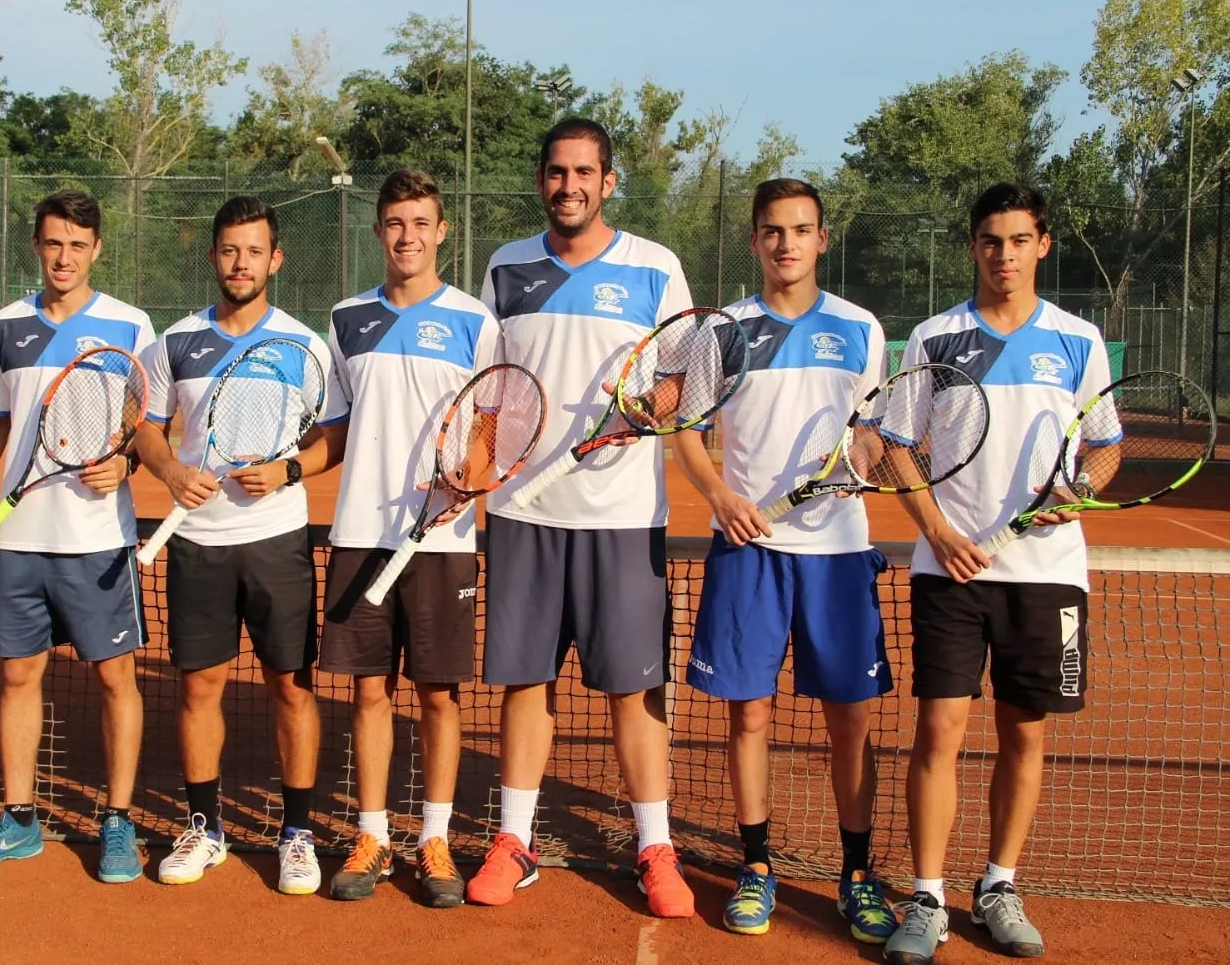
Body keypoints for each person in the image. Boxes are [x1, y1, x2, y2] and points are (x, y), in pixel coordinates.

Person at [467, 118, 696, 918]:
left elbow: (681, 382)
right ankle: (514, 841)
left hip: (623, 515)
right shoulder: (506, 267)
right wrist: (475, 468)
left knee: (634, 690)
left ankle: (655, 847)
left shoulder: (654, 268)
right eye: (556, 173)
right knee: (525, 681)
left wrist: (648, 404)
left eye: (584, 173)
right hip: (524, 513)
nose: (569, 186)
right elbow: (491, 389)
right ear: (541, 181)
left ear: (607, 181)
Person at [883, 183, 1109, 964]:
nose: (1003, 255)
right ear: (972, 246)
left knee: (1024, 733)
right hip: (947, 572)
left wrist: (1083, 489)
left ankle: (999, 884)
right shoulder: (933, 337)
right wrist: (938, 533)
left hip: (1046, 572)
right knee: (938, 731)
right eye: (989, 241)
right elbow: (895, 445)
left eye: (1018, 240)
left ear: (1042, 244)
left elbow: (1103, 445)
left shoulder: (1079, 339)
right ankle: (925, 898)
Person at [671, 178, 898, 942]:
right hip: (748, 547)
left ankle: (857, 874)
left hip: (837, 551)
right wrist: (720, 497)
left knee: (851, 723)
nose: (786, 243)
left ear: (822, 239)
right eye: (772, 231)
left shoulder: (860, 327)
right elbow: (688, 434)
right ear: (754, 242)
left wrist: (859, 454)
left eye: (800, 230)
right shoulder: (723, 330)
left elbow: (875, 431)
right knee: (749, 716)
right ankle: (757, 865)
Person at [293, 169, 499, 907]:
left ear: (441, 231)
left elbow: (491, 422)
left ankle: (434, 838)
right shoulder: (347, 318)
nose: (407, 236)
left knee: (438, 696)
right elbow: (338, 429)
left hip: (443, 544)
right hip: (361, 534)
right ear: (378, 231)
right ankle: (373, 834)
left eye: (421, 223)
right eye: (394, 223)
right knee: (369, 693)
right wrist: (288, 468)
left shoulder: (476, 320)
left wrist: (466, 480)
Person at [0, 189, 155, 884]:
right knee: (17, 676)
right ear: (37, 246)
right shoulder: (2, 326)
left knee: (115, 678)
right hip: (18, 537)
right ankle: (20, 819)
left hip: (98, 535)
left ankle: (117, 822)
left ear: (96, 250)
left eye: (77, 245)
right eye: (53, 243)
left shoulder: (129, 325)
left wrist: (123, 460)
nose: (64, 257)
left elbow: (143, 421)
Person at [135, 196, 328, 895]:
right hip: (198, 545)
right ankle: (203, 826)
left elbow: (329, 432)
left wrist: (290, 469)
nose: (240, 262)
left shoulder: (306, 343)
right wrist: (169, 469)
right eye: (228, 250)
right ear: (212, 256)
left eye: (254, 251)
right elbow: (147, 428)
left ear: (274, 259)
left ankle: (297, 832)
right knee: (199, 688)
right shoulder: (175, 342)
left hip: (276, 540)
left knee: (291, 687)